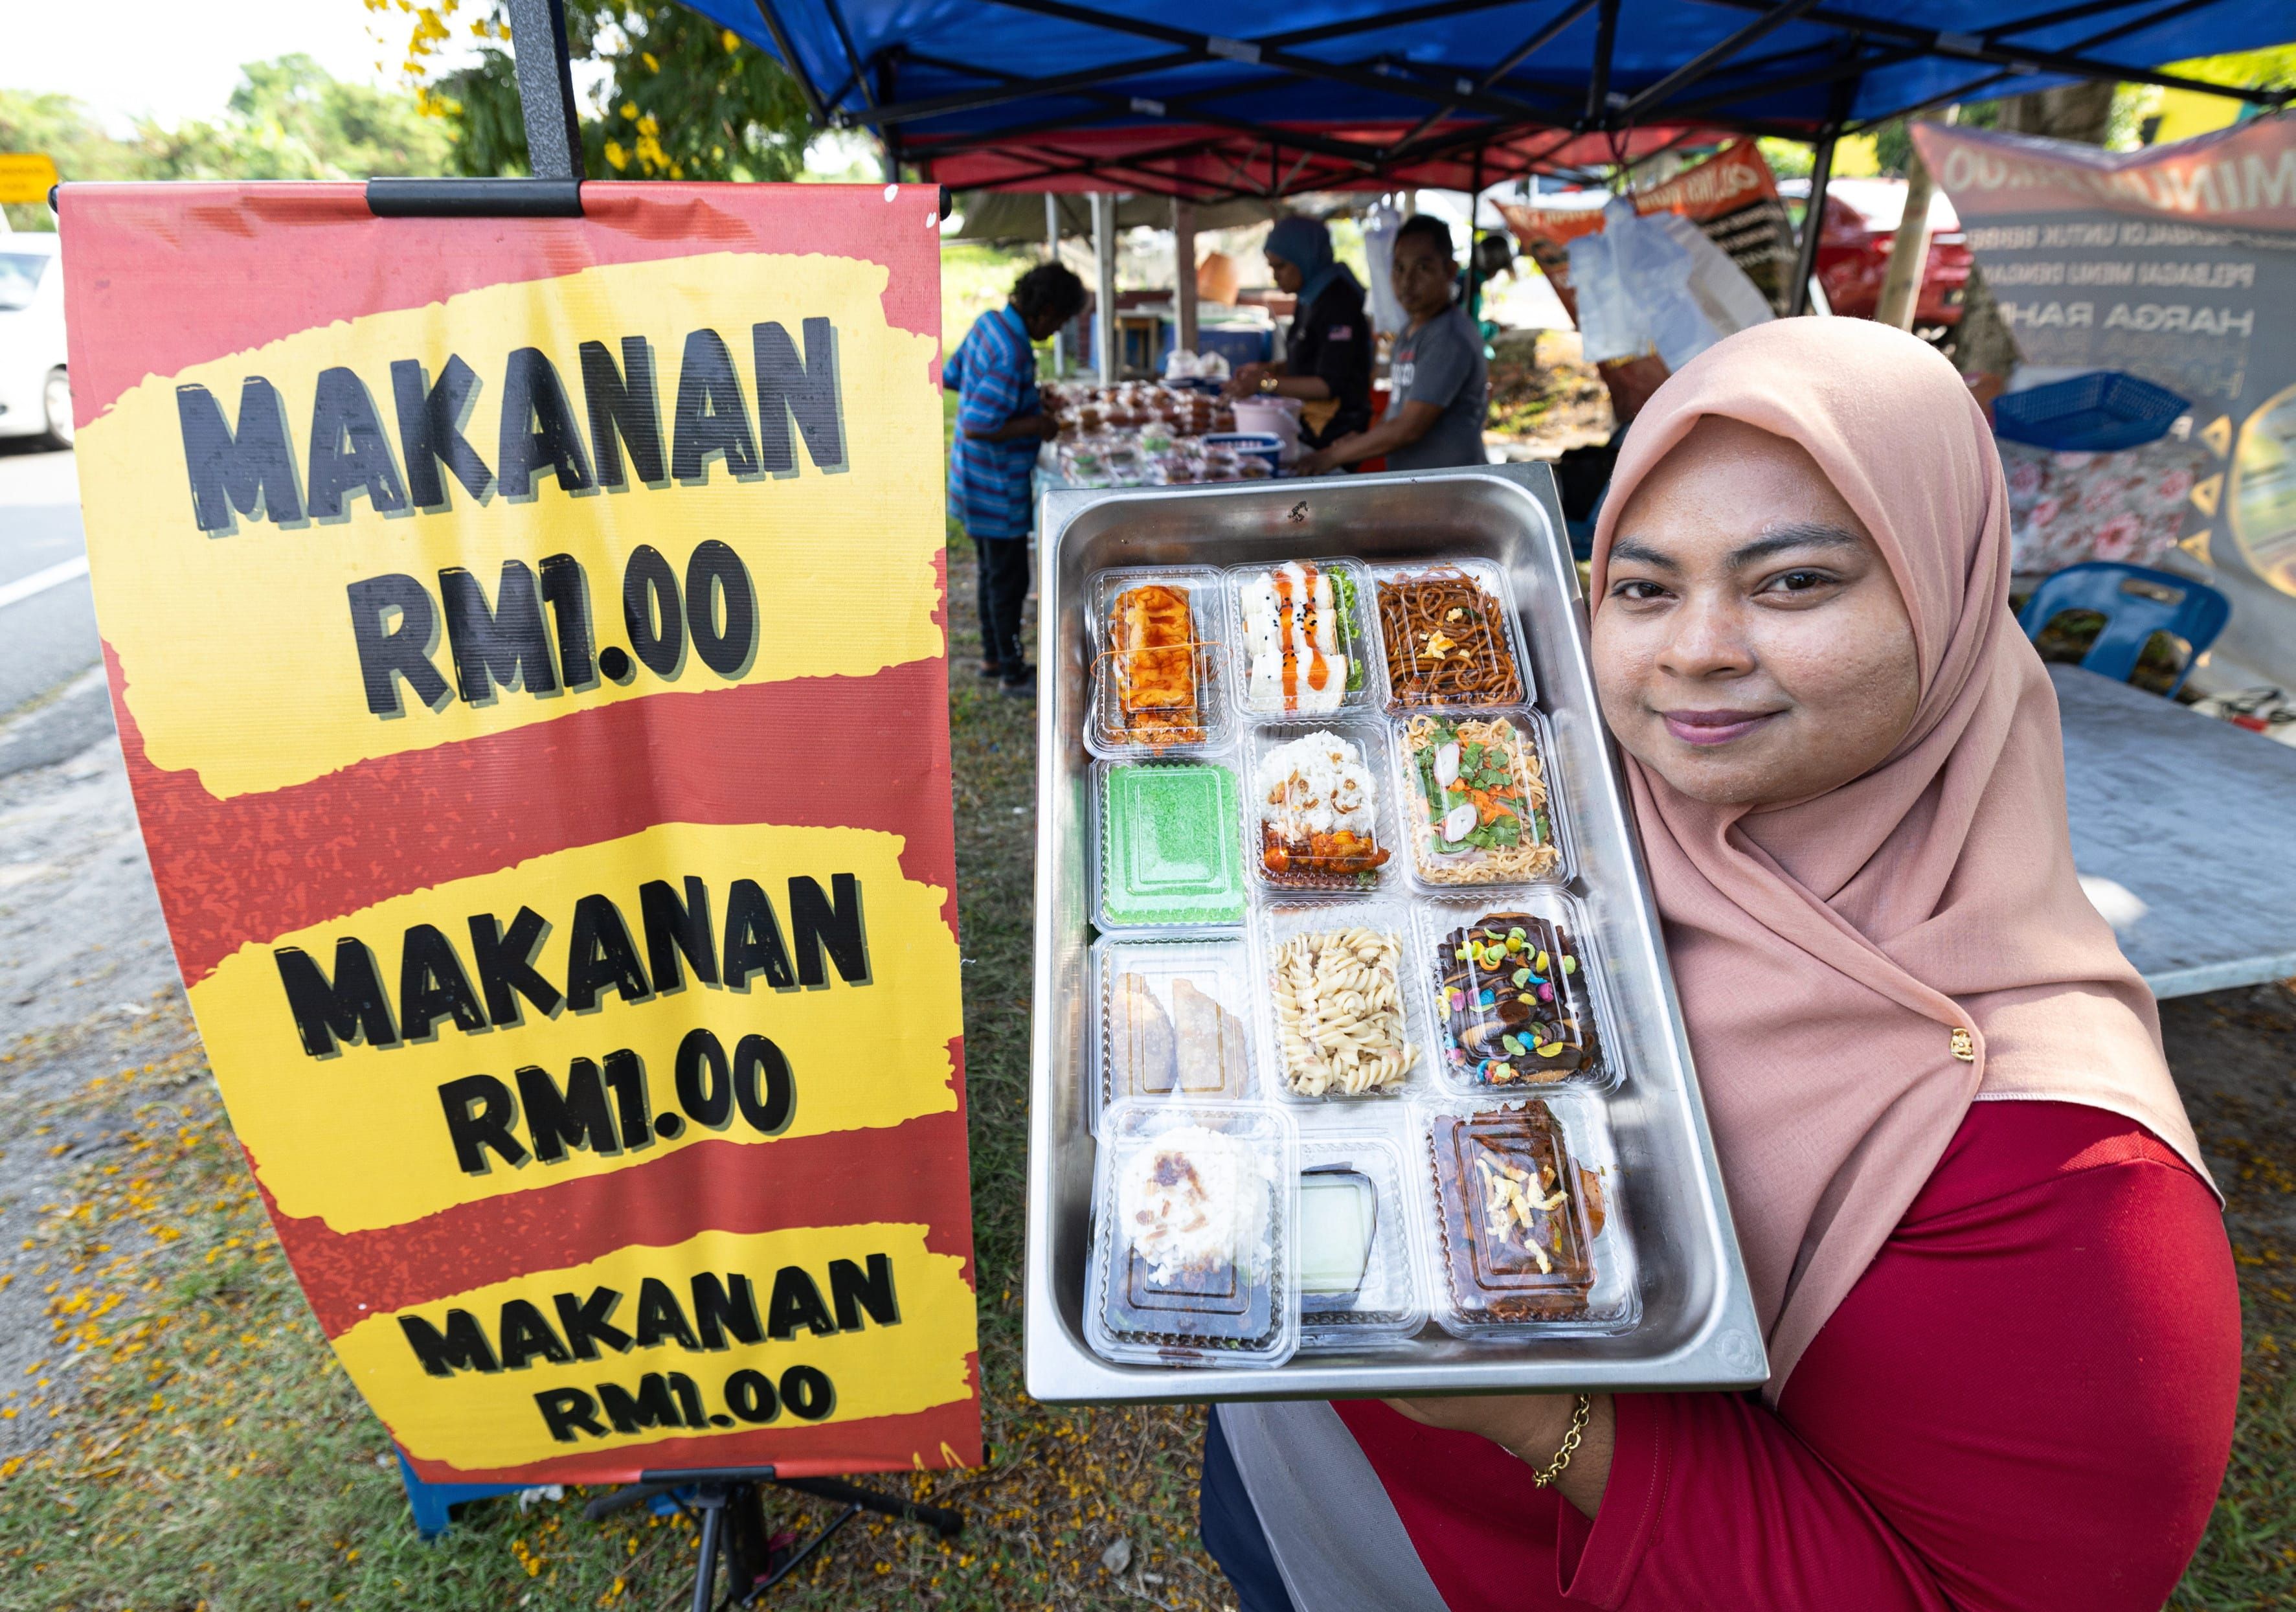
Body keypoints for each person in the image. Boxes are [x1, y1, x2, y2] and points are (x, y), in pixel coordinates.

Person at [1199, 318, 2240, 1610]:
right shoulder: (1553, 820)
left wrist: (1544, 1413)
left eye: (1794, 580)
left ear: (1952, 594)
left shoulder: (2072, 1175)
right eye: (1642, 586)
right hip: (1296, 1478)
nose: (1696, 647)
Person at [944, 260, 1086, 697]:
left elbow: (953, 376)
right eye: (1060, 321)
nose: (1058, 331)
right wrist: (1036, 425)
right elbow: (977, 423)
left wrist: (1025, 398)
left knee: (992, 573)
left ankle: (991, 657)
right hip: (997, 486)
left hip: (970, 477)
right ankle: (1011, 670)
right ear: (1044, 310)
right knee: (1009, 581)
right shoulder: (1014, 351)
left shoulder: (990, 325)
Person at [1301, 214, 1487, 475]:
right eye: (1399, 268)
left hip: (1454, 492)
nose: (1407, 282)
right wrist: (1358, 442)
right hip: (1420, 489)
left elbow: (1409, 428)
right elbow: (1394, 416)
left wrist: (1332, 456)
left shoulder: (1449, 337)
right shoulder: (1410, 332)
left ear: (1450, 271)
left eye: (1423, 268)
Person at [1222, 216, 1373, 457]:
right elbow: (1308, 360)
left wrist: (1264, 383)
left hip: (1336, 435)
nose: (1275, 276)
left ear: (1305, 258)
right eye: (1271, 267)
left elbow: (1327, 384)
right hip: (1307, 424)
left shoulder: (1338, 302)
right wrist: (1267, 369)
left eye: (1280, 266)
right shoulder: (1309, 296)